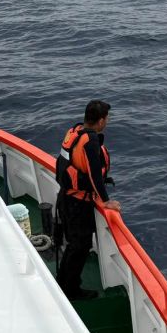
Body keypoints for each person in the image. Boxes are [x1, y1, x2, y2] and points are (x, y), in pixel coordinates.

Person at [55, 100, 122, 300]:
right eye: (107, 118)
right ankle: (70, 290)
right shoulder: (90, 142)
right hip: (78, 204)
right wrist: (106, 200)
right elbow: (94, 175)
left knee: (74, 245)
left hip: (66, 198)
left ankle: (63, 283)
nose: (107, 122)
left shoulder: (75, 131)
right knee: (80, 246)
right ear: (101, 120)